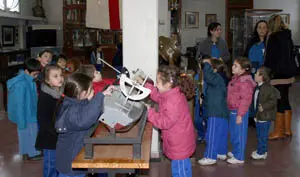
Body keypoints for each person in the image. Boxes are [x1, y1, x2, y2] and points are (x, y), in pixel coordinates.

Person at [137, 65, 196, 177]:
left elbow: (165, 122)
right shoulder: (170, 93)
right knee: (179, 170)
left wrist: (150, 112)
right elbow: (158, 97)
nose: (156, 85)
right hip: (178, 141)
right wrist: (145, 86)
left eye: (158, 82)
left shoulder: (173, 100)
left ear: (168, 83)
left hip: (180, 144)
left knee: (181, 171)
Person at [55, 73, 114, 177]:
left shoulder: (77, 103)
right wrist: (100, 96)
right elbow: (86, 119)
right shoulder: (71, 111)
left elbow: (91, 110)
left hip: (75, 158)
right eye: (92, 89)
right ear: (82, 94)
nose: (94, 91)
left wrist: (103, 95)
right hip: (70, 163)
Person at [264, 14, 296, 140]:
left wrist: (266, 72)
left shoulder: (273, 37)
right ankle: (287, 129)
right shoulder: (287, 35)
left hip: (277, 73)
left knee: (279, 100)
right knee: (285, 98)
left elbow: (270, 57)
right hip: (288, 72)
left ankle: (278, 131)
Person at [7, 59, 42, 160]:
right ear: (27, 71)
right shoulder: (21, 84)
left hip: (30, 112)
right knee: (28, 134)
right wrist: (21, 120)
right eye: (35, 74)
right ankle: (32, 154)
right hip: (26, 114)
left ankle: (27, 152)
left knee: (28, 134)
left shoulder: (29, 80)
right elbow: (19, 104)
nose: (36, 77)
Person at [197, 59, 229, 165]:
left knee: (212, 134)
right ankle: (221, 152)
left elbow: (208, 76)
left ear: (214, 68)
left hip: (216, 111)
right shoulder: (221, 78)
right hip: (221, 111)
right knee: (221, 134)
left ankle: (210, 156)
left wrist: (206, 63)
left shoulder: (216, 77)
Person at [35, 65, 64, 177]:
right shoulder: (45, 96)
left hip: (58, 134)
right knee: (51, 164)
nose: (60, 78)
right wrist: (56, 132)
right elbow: (43, 120)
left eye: (61, 75)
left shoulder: (59, 92)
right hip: (50, 137)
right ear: (47, 80)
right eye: (55, 76)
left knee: (58, 163)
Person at [227, 57, 256, 164]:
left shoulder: (245, 82)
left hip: (240, 112)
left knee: (239, 134)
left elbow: (246, 100)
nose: (232, 67)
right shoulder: (236, 78)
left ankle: (239, 157)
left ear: (243, 70)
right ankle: (235, 151)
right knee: (234, 133)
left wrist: (240, 115)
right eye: (233, 64)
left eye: (236, 66)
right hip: (233, 110)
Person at [244, 20, 268, 127]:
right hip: (251, 73)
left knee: (262, 96)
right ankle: (250, 117)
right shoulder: (252, 42)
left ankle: (260, 117)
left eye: (264, 27)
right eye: (259, 27)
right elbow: (245, 57)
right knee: (250, 95)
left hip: (264, 73)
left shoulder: (269, 43)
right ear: (256, 29)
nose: (262, 30)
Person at [251, 67, 279, 160]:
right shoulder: (257, 87)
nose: (254, 74)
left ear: (262, 77)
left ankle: (261, 152)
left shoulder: (268, 88)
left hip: (265, 116)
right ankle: (263, 150)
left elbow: (273, 101)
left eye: (257, 73)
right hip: (259, 115)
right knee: (259, 134)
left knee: (262, 135)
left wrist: (264, 107)